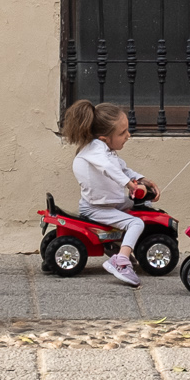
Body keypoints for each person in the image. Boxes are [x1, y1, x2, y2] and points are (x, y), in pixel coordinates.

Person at [63, 98, 150, 287]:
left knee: (144, 207)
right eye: (122, 132)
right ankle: (120, 261)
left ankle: (117, 247)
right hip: (96, 208)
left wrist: (143, 180)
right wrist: (129, 184)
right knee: (136, 223)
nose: (128, 135)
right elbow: (108, 168)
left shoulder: (105, 150)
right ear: (104, 137)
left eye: (127, 130)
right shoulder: (95, 150)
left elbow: (122, 169)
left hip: (109, 202)